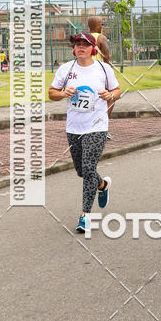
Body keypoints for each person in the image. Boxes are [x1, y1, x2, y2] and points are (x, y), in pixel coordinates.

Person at [48, 33, 121, 232]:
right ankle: (102, 185)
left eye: (85, 44)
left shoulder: (103, 69)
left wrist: (109, 94)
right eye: (77, 44)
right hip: (74, 127)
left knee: (89, 167)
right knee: (82, 171)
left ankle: (85, 216)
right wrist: (63, 93)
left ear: (92, 48)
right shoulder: (66, 69)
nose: (80, 47)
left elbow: (117, 91)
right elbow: (52, 93)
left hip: (97, 125)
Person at [88, 16, 115, 139]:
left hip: (85, 70)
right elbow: (107, 56)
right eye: (101, 24)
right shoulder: (101, 38)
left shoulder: (84, 38)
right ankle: (103, 128)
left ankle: (89, 127)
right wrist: (110, 68)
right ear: (97, 26)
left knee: (90, 99)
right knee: (110, 98)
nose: (102, 26)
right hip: (99, 71)